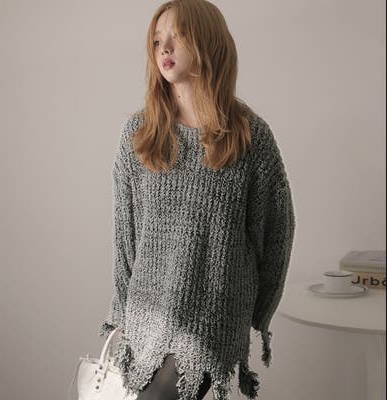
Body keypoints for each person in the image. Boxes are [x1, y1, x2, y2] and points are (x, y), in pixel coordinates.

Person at [98, 1, 296, 400]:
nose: (165, 48)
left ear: (208, 42)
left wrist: (256, 309)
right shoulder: (139, 133)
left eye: (178, 36)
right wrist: (121, 312)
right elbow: (126, 234)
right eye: (157, 41)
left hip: (212, 317)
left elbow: (277, 230)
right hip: (148, 312)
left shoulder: (248, 136)